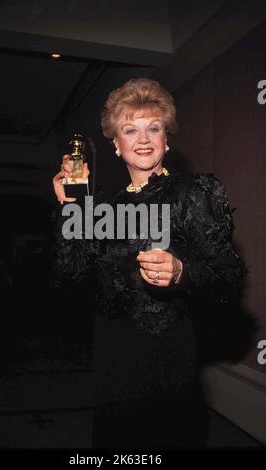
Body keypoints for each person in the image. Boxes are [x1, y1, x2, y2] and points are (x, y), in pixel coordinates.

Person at [52, 78, 247, 448]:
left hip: (169, 352)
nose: (143, 139)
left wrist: (181, 271)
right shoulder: (101, 207)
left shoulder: (194, 194)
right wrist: (71, 207)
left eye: (153, 128)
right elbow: (69, 275)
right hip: (112, 350)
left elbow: (229, 277)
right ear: (116, 144)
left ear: (166, 139)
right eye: (131, 130)